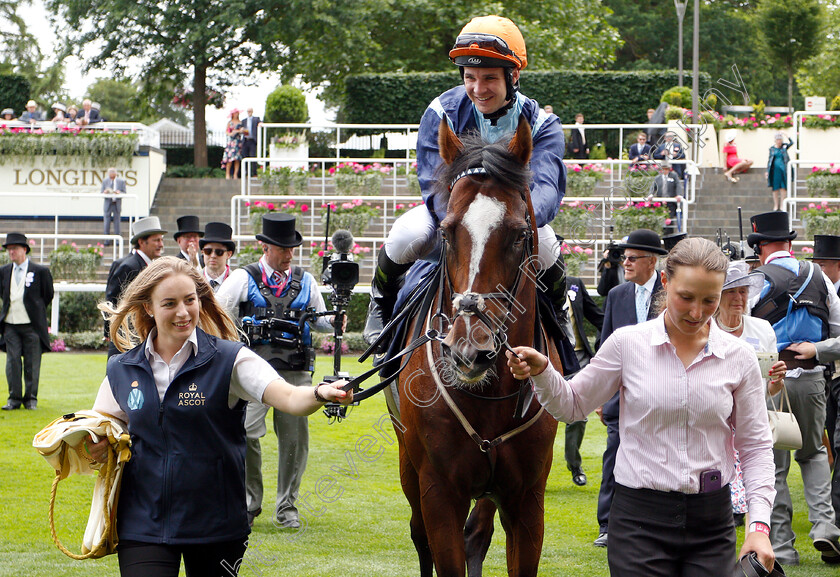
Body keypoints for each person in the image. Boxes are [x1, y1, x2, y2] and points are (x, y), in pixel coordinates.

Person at [507, 237, 777, 575]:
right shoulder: (627, 345)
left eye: (710, 300)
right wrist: (544, 372)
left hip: (712, 522)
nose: (697, 312)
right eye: (686, 297)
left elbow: (755, 446)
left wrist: (759, 527)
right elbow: (573, 405)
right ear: (665, 281)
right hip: (638, 522)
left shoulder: (739, 357)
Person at [85, 256, 352, 576]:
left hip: (217, 524)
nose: (183, 312)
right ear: (148, 308)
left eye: (190, 300)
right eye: (169, 303)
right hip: (144, 522)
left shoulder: (231, 359)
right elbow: (100, 430)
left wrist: (321, 393)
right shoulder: (121, 369)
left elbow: (290, 397)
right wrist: (94, 445)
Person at [363, 15, 567, 346]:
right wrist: (464, 223)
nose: (478, 88)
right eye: (470, 77)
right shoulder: (440, 111)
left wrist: (505, 224)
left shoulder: (543, 124)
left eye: (489, 78)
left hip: (512, 221)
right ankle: (380, 310)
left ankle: (562, 322)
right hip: (454, 217)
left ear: (513, 76)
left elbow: (546, 188)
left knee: (546, 249)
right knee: (404, 237)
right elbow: (432, 183)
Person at [215, 213, 341, 529]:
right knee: (246, 433)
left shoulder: (306, 281)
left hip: (296, 371)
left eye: (292, 249)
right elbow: (218, 315)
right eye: (283, 249)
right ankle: (249, 504)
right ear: (265, 247)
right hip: (252, 372)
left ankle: (287, 507)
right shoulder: (244, 278)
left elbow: (320, 322)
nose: (289, 255)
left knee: (294, 442)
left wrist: (338, 316)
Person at [747, 211, 840, 565]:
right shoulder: (821, 277)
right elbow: (837, 330)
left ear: (762, 247)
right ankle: (825, 529)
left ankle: (784, 547)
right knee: (815, 453)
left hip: (772, 380)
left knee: (774, 466)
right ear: (788, 243)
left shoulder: (756, 279)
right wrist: (816, 349)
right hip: (814, 377)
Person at [592, 229, 668, 548]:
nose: (626, 263)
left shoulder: (670, 292)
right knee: (614, 457)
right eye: (624, 258)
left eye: (632, 258)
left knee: (657, 459)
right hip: (621, 397)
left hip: (661, 394)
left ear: (651, 262)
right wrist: (599, 393)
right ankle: (608, 525)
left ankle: (656, 523)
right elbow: (605, 344)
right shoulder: (617, 296)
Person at [714, 261, 787, 527]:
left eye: (743, 291)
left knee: (760, 488)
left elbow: (768, 390)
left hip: (751, 424)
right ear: (718, 295)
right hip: (716, 424)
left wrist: (777, 382)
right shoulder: (705, 331)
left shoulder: (762, 329)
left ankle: (762, 548)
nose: (739, 298)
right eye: (732, 291)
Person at [802, 235, 840, 524]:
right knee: (829, 446)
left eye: (823, 264)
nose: (818, 269)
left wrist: (816, 350)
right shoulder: (820, 288)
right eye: (815, 263)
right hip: (829, 380)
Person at [0, 233, 54, 411]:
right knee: (12, 362)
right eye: (9, 249)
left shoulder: (40, 271)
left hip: (32, 326)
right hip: (10, 325)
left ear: (24, 250)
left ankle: (31, 399)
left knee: (32, 363)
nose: (11, 252)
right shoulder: (4, 271)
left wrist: (34, 310)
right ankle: (14, 399)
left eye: (14, 249)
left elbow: (47, 295)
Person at [561, 274, 604, 486]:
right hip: (551, 358)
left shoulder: (575, 284)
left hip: (579, 359)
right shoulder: (535, 284)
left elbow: (598, 316)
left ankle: (574, 464)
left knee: (578, 416)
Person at [105, 216, 166, 357]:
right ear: (141, 242)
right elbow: (114, 302)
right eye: (156, 240)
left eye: (161, 240)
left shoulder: (147, 265)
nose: (161, 244)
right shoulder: (129, 266)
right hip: (127, 340)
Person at [648, 161, 683, 234]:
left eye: (666, 169)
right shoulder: (657, 178)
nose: (665, 171)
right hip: (661, 202)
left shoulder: (674, 176)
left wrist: (678, 194)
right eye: (663, 169)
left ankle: (669, 236)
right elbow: (653, 187)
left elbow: (678, 185)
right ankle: (662, 234)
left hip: (670, 202)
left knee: (669, 220)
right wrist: (651, 194)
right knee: (661, 219)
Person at [200, 222, 235, 292]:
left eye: (219, 252)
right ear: (202, 252)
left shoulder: (236, 282)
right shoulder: (193, 281)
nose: (213, 256)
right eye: (208, 251)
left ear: (228, 254)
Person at [766, 133, 795, 212]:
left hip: (783, 170)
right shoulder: (772, 149)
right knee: (775, 188)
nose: (779, 141)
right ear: (775, 140)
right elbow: (769, 160)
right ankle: (776, 205)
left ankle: (782, 204)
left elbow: (792, 143)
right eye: (778, 140)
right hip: (775, 171)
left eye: (780, 140)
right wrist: (767, 171)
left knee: (783, 187)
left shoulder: (784, 147)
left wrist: (786, 135)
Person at [101, 167, 126, 245]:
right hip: (108, 204)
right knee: (106, 222)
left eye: (113, 174)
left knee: (117, 222)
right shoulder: (105, 181)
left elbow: (124, 192)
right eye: (110, 174)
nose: (111, 176)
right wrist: (105, 192)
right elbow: (101, 192)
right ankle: (106, 240)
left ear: (116, 174)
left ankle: (117, 240)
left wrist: (119, 193)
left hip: (116, 203)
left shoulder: (121, 181)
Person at [223, 109, 246, 179]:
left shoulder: (241, 122)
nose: (236, 114)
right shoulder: (230, 122)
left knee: (237, 159)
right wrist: (231, 133)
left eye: (237, 113)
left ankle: (235, 174)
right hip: (231, 142)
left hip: (238, 142)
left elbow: (245, 131)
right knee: (230, 159)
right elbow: (227, 131)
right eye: (235, 113)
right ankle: (227, 174)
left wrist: (240, 131)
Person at [241, 107, 261, 177]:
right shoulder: (244, 121)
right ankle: (246, 173)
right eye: (248, 111)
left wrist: (260, 124)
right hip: (246, 140)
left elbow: (260, 123)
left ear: (252, 112)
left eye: (250, 111)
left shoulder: (256, 119)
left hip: (252, 140)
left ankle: (254, 173)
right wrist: (242, 130)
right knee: (245, 156)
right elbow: (240, 128)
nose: (249, 112)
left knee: (253, 156)